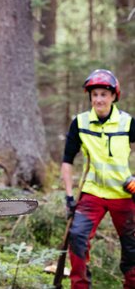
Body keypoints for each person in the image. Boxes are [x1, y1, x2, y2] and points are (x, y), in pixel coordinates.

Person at [61, 69, 135, 289]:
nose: (99, 99)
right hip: (92, 194)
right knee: (77, 237)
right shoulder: (80, 123)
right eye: (95, 95)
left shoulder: (127, 122)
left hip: (124, 193)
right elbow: (67, 161)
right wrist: (69, 196)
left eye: (104, 94)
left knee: (132, 247)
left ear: (113, 97)